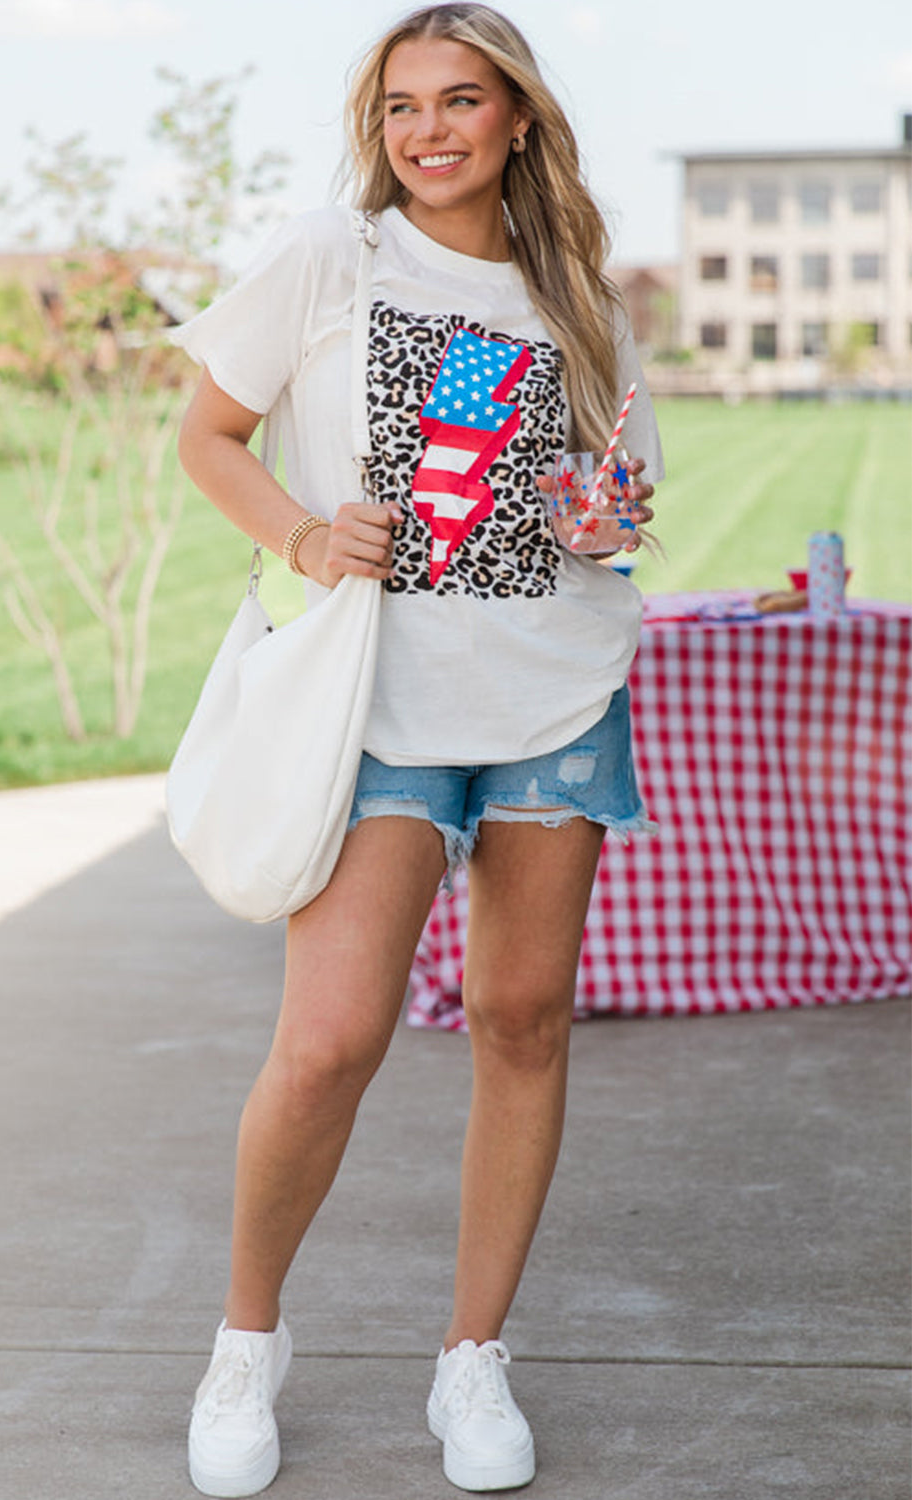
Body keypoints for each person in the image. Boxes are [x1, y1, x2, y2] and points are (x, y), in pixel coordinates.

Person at [172, 4, 662, 1494]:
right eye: (401, 108)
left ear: (518, 118)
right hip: (372, 704)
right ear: (377, 129)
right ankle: (246, 1345)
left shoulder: (582, 298)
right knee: (327, 1042)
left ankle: (472, 1363)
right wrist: (312, 536)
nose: (430, 130)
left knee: (523, 1022)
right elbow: (206, 434)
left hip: (551, 695)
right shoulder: (335, 257)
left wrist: (606, 517)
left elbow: (619, 500)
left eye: (462, 101)